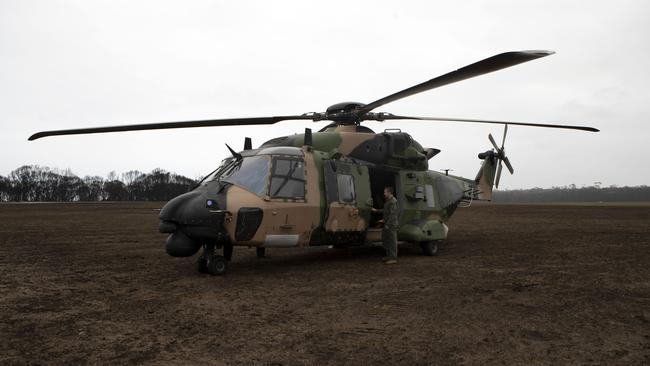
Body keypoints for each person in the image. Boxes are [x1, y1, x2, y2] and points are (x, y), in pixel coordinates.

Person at [372, 186, 399, 264]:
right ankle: (389, 256)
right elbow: (385, 211)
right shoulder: (388, 201)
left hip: (391, 225)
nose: (384, 194)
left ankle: (393, 258)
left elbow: (393, 214)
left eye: (385, 192)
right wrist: (376, 210)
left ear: (389, 192)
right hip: (386, 224)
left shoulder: (393, 201)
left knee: (392, 241)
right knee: (386, 240)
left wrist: (388, 224)